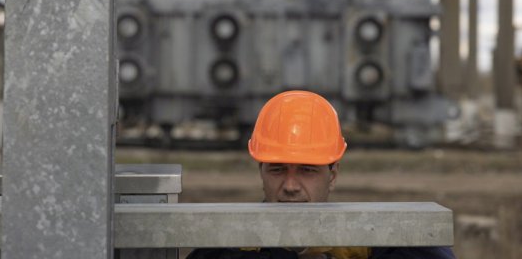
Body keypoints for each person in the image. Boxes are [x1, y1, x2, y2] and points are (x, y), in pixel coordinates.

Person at [188, 90, 455, 259]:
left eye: (307, 170)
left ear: (333, 174)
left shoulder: (371, 243)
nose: (290, 186)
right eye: (278, 169)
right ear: (261, 171)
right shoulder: (226, 248)